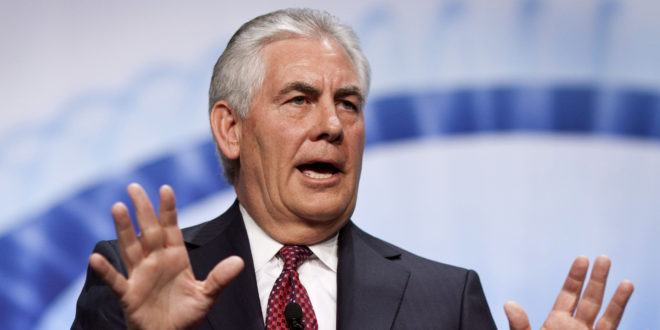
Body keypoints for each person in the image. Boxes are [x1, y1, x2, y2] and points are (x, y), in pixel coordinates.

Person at [72, 8, 634, 330]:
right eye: (299, 99)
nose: (333, 126)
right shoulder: (132, 279)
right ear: (231, 128)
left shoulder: (445, 299)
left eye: (348, 103)